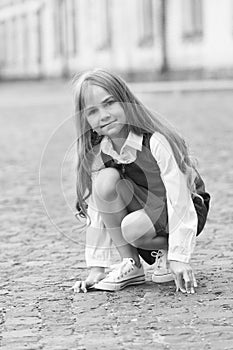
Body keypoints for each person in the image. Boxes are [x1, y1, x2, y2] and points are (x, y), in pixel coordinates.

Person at [71, 68, 210, 294]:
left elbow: (179, 198)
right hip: (146, 206)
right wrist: (96, 269)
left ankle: (164, 252)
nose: (103, 115)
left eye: (109, 103)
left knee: (132, 228)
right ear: (85, 120)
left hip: (185, 205)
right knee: (105, 181)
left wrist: (178, 256)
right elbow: (98, 208)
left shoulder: (156, 141)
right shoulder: (101, 151)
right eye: (92, 111)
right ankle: (132, 264)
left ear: (126, 102)